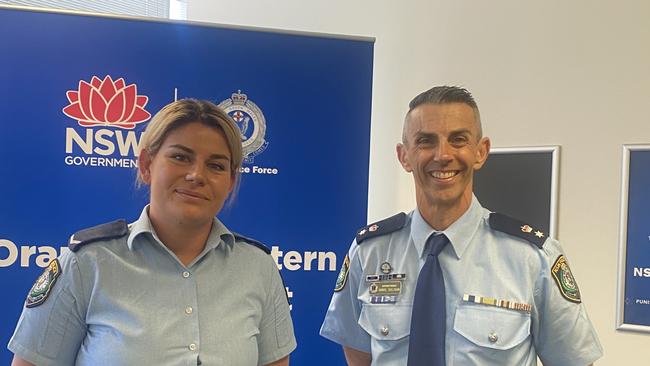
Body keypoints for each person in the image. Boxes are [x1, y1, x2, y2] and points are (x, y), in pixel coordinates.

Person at [320, 86, 602, 365]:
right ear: (403, 156)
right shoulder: (370, 252)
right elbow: (358, 356)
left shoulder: (533, 257)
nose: (442, 154)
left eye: (458, 140)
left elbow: (574, 361)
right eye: (425, 141)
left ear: (481, 151)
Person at [9, 99, 296, 366]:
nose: (197, 175)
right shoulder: (87, 264)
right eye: (181, 157)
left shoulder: (258, 268)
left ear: (231, 181)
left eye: (216, 165)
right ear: (146, 165)